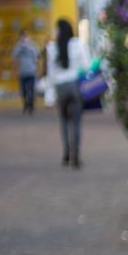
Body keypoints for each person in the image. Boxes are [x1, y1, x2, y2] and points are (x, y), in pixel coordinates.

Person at [45, 19, 91, 168]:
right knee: (76, 122)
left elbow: (50, 73)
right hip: (74, 85)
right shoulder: (78, 44)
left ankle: (66, 152)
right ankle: (76, 155)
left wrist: (50, 94)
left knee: (63, 121)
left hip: (60, 86)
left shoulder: (52, 47)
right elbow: (86, 66)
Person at [13, 30, 39, 114]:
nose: (24, 38)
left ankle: (31, 105)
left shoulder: (32, 46)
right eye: (23, 36)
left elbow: (36, 59)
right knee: (23, 90)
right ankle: (26, 104)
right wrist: (16, 71)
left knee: (31, 89)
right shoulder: (17, 47)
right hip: (22, 72)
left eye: (26, 36)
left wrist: (37, 70)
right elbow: (15, 59)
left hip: (31, 71)